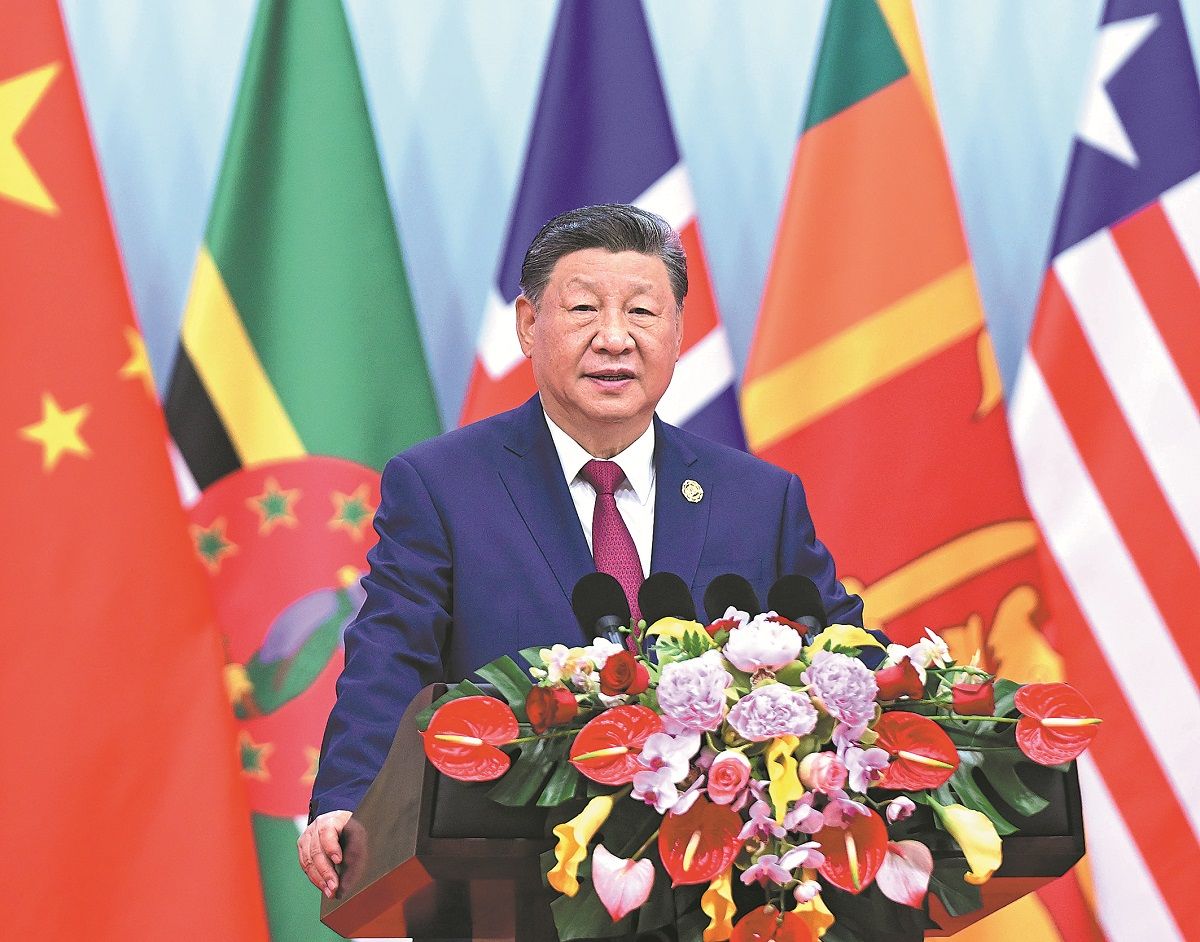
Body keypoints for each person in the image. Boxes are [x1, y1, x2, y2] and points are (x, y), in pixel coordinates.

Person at [297, 204, 866, 897]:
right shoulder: (442, 485)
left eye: (642, 313)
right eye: (584, 309)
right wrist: (351, 801)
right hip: (508, 878)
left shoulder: (758, 497)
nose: (614, 339)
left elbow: (845, 656)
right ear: (528, 325)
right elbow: (392, 656)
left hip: (721, 882)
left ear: (678, 332)